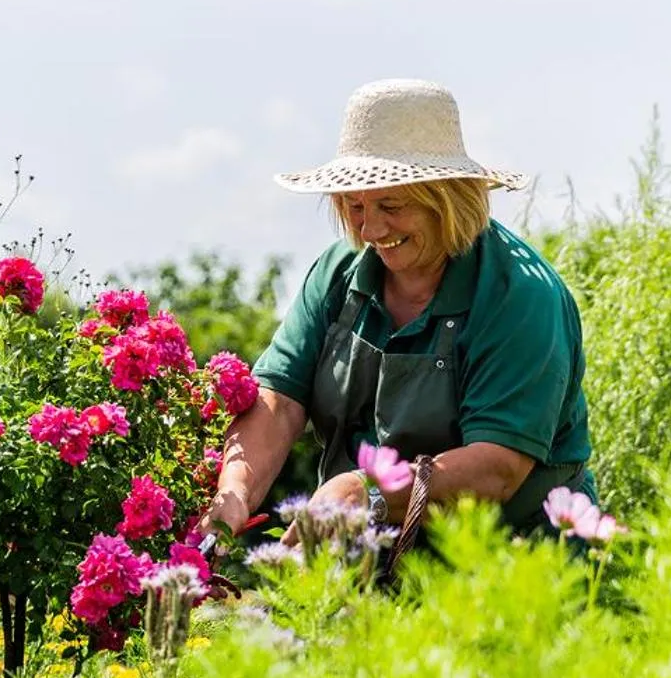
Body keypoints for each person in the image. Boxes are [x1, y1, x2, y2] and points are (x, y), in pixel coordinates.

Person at [202, 79, 595, 542]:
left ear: (447, 199)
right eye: (353, 206)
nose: (370, 228)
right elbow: (279, 401)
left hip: (508, 570)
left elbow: (497, 469)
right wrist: (234, 491)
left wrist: (364, 493)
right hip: (371, 565)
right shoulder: (337, 275)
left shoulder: (521, 296)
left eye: (390, 205)